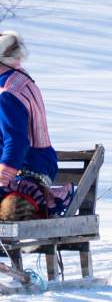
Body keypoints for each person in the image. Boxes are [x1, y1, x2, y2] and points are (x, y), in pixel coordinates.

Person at [0, 31, 70, 221]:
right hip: (39, 163)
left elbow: (16, 141)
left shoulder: (6, 92)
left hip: (26, 167)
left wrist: (4, 175)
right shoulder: (20, 78)